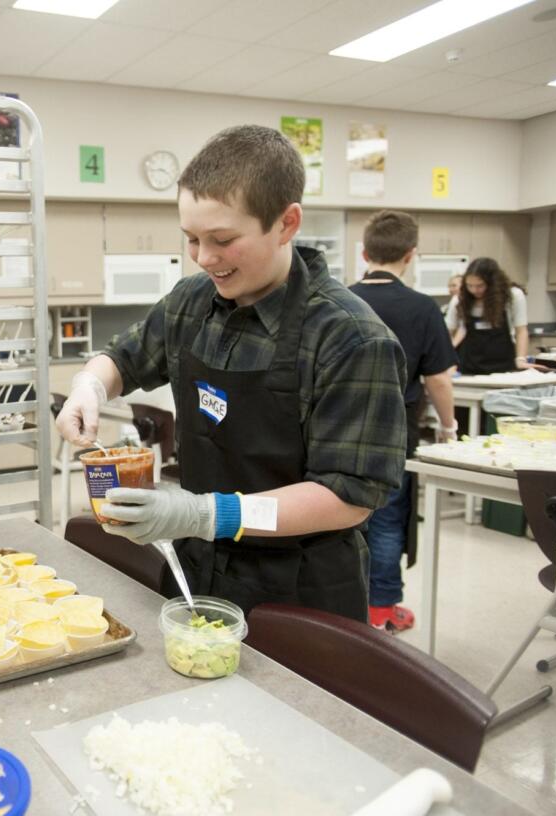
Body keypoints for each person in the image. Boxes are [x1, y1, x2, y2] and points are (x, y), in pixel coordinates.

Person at [56, 125, 406, 621]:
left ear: (286, 224)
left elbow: (346, 498)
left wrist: (205, 513)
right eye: (193, 239)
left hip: (299, 589)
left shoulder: (350, 339)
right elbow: (123, 358)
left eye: (222, 239)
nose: (204, 258)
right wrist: (88, 387)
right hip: (199, 565)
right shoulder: (191, 303)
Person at [349, 210, 458, 632]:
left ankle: (347, 604)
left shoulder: (340, 299)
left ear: (364, 252)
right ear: (411, 255)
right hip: (395, 430)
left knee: (343, 516)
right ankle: (381, 608)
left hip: (337, 426)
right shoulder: (422, 308)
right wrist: (448, 429)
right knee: (389, 517)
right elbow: (438, 381)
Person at [446, 257, 532, 375]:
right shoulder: (459, 299)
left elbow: (521, 330)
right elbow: (447, 332)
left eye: (480, 285)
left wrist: (520, 359)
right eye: (469, 285)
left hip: (504, 367)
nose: (474, 290)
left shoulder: (513, 296)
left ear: (493, 283)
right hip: (469, 367)